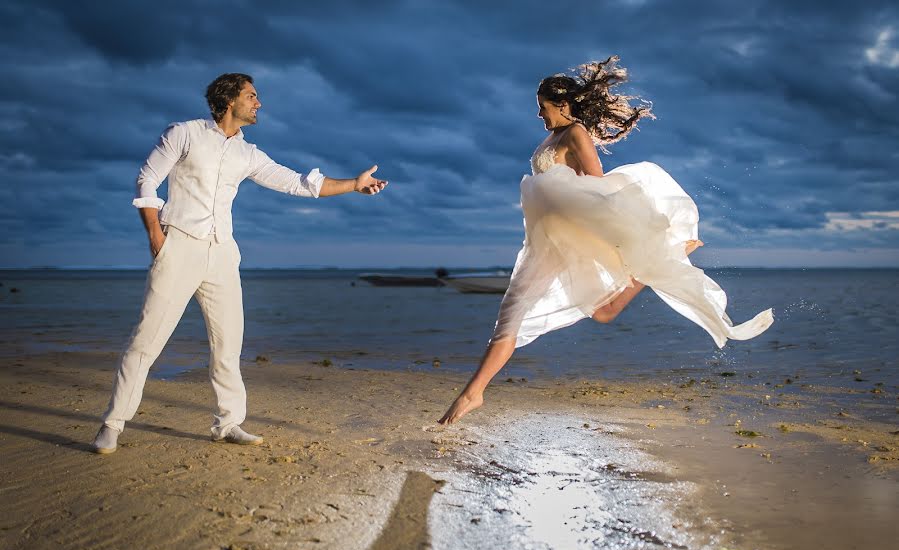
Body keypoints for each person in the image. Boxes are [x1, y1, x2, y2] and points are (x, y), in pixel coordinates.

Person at [439, 56, 772, 425]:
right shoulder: (552, 137)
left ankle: (659, 258)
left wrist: (625, 237)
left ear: (563, 105)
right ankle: (475, 392)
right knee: (557, 314)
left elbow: (599, 190)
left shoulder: (576, 134)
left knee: (593, 312)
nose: (539, 116)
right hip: (542, 245)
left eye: (543, 108)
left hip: (570, 239)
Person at [91, 73, 387, 454]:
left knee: (228, 344)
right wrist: (156, 236)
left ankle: (228, 423)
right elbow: (147, 181)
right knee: (146, 342)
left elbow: (298, 183)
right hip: (178, 246)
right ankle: (112, 424)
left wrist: (354, 184)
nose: (258, 103)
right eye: (252, 96)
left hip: (223, 255)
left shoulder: (248, 155)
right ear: (229, 99)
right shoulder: (184, 133)